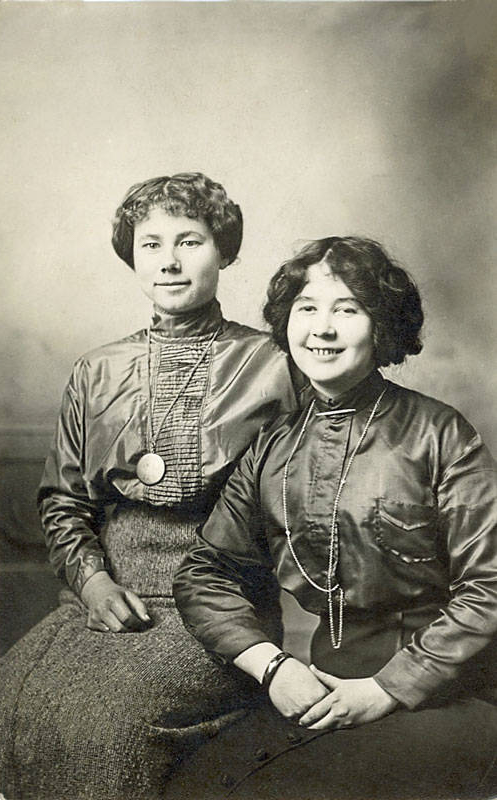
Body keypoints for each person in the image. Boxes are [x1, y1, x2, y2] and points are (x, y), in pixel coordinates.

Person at [0, 172, 299, 800]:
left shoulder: (277, 363)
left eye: (189, 241)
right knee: (11, 701)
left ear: (225, 251)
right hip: (108, 593)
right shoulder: (96, 368)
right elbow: (64, 500)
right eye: (150, 243)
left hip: (221, 605)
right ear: (132, 257)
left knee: (104, 725)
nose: (168, 261)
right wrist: (93, 581)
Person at [171, 236, 497, 800]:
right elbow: (205, 571)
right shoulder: (273, 446)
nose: (322, 329)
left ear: (382, 326)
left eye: (346, 310)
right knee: (195, 785)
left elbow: (489, 584)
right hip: (322, 685)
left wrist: (388, 689)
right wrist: (274, 668)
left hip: (453, 690)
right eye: (307, 308)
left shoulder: (441, 434)